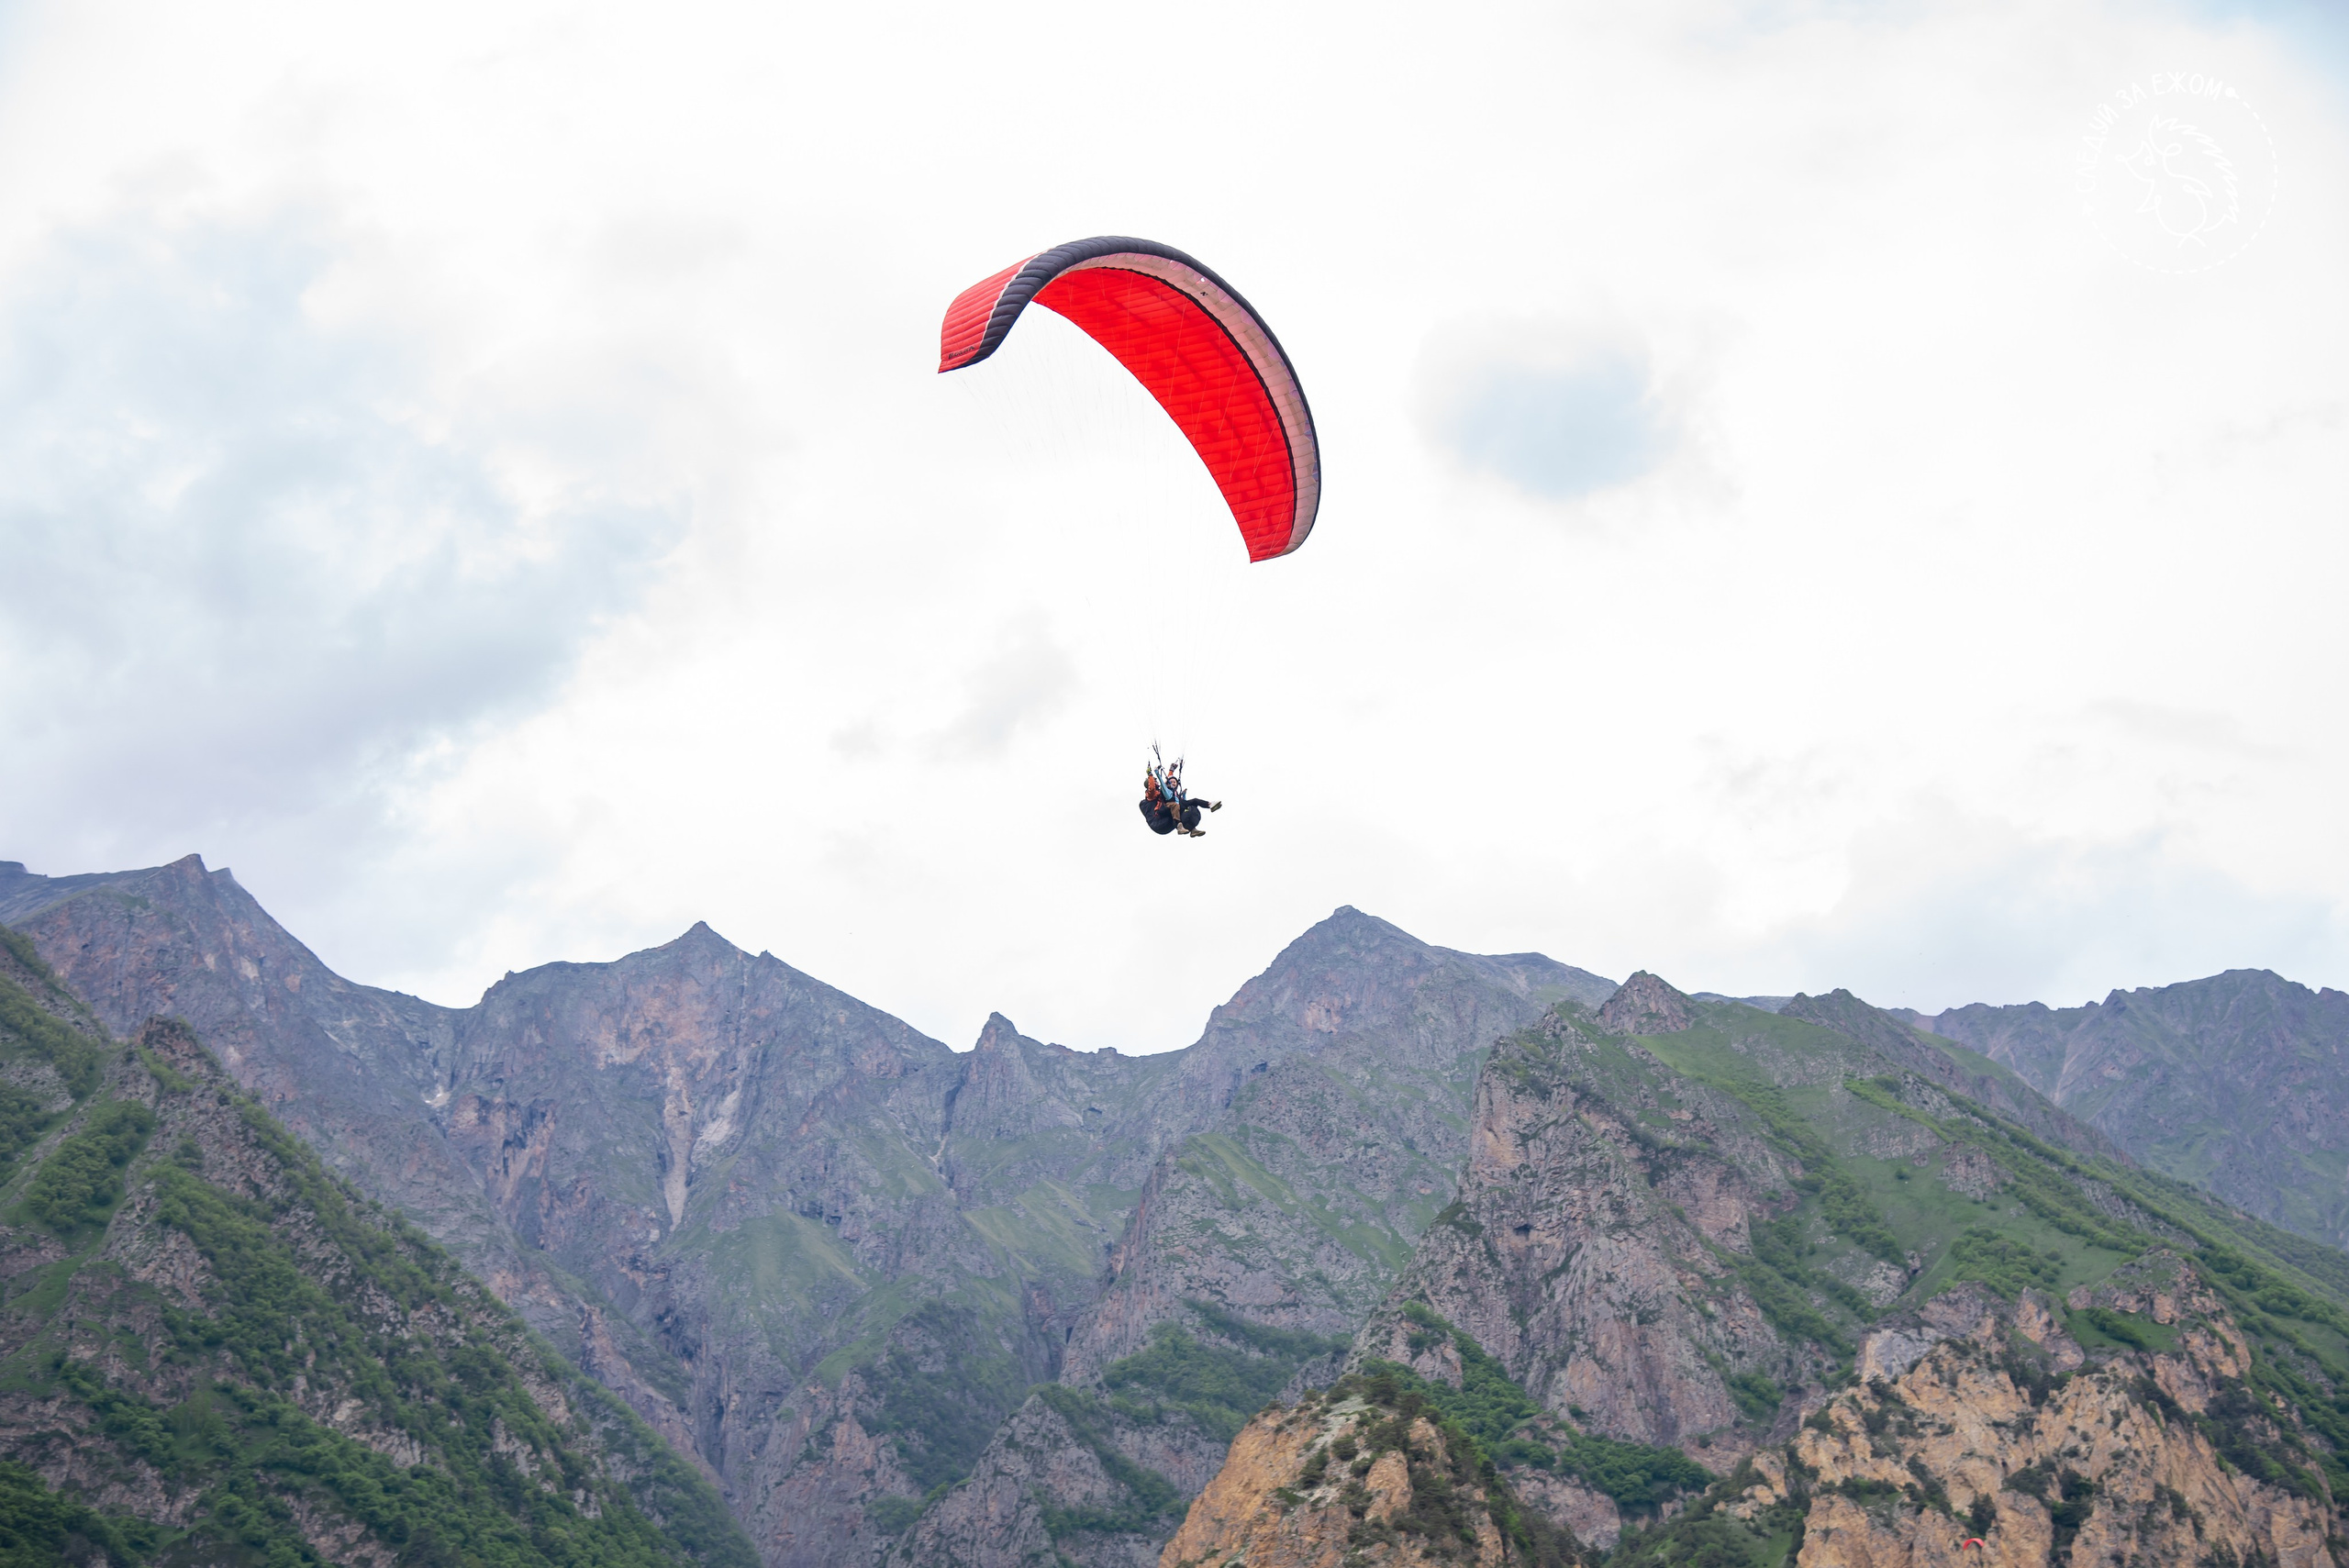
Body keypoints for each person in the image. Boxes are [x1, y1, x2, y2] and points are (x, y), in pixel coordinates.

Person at [1140, 757, 1220, 838]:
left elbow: (1168, 783)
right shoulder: (1151, 794)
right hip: (1158, 821)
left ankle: (1192, 829)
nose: (1156, 781)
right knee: (1177, 804)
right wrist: (1150, 774)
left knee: (1185, 807)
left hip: (1165, 822)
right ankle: (1180, 826)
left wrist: (1171, 770)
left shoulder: (1162, 792)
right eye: (1155, 781)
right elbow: (1155, 786)